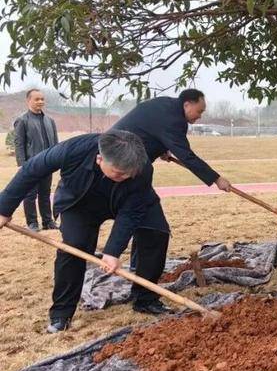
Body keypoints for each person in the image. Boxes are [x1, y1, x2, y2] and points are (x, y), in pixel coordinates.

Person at [0, 131, 168, 333]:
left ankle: (145, 299)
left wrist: (112, 251)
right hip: (79, 202)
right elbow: (31, 170)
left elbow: (131, 213)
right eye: (119, 173)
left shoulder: (141, 170)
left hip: (127, 201)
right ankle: (61, 314)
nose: (126, 177)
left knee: (156, 232)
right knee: (73, 247)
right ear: (100, 159)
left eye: (129, 174)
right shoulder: (73, 149)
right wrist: (4, 209)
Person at [111, 89, 231, 274]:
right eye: (199, 111)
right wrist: (216, 179)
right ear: (187, 104)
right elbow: (187, 156)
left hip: (125, 161)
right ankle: (136, 267)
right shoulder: (174, 119)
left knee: (143, 217)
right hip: (121, 167)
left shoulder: (166, 106)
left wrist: (160, 147)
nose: (200, 116)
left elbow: (146, 128)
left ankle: (138, 263)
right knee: (150, 221)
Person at [13, 89, 59, 231]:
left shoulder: (50, 120)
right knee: (30, 194)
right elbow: (19, 143)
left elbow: (55, 142)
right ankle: (32, 223)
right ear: (29, 101)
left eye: (42, 99)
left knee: (45, 194)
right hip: (31, 164)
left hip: (48, 163)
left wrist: (57, 159)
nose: (40, 102)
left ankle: (48, 221)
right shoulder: (22, 120)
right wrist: (22, 164)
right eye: (37, 99)